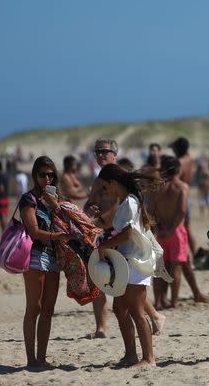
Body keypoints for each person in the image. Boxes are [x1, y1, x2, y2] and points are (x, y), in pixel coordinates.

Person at [90, 163, 166, 368]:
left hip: (136, 262)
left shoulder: (130, 202)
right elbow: (116, 226)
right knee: (120, 308)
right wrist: (97, 220)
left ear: (113, 183)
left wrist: (103, 246)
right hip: (127, 261)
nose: (105, 192)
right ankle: (131, 355)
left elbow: (126, 233)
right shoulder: (126, 202)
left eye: (105, 187)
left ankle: (149, 358)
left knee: (136, 311)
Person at [18, 156, 76, 368]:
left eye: (51, 175)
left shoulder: (56, 198)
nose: (47, 179)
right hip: (35, 255)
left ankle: (41, 358)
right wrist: (58, 237)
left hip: (54, 257)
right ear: (35, 175)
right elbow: (33, 231)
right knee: (34, 307)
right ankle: (31, 359)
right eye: (42, 175)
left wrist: (58, 207)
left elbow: (71, 223)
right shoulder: (28, 199)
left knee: (49, 310)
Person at [84, 138, 119, 339]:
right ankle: (101, 327)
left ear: (114, 154)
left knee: (125, 281)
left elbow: (120, 205)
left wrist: (102, 220)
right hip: (100, 234)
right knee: (97, 279)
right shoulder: (98, 179)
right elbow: (90, 203)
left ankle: (154, 316)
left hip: (118, 233)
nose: (100, 155)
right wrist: (88, 213)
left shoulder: (119, 176)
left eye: (104, 152)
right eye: (97, 151)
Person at [169, 137, 208, 300]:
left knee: (183, 229)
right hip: (187, 194)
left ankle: (191, 255)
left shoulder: (179, 161)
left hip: (180, 195)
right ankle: (194, 255)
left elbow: (175, 178)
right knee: (188, 228)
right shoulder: (189, 158)